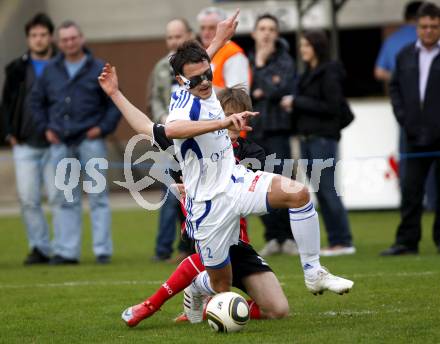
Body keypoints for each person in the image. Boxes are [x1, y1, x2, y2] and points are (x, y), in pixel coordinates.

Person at [99, 9, 353, 325]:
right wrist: (223, 121)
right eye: (198, 78)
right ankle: (196, 286)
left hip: (235, 179)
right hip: (208, 206)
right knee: (219, 286)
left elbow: (201, 62)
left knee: (298, 193)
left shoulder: (195, 76)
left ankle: (314, 272)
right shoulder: (182, 107)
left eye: (209, 73)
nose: (206, 82)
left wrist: (220, 37)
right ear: (181, 81)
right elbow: (165, 130)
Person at [118, 88, 289, 327]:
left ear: (246, 120)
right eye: (228, 115)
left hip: (238, 240)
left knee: (278, 310)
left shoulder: (253, 153)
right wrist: (116, 92)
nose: (233, 122)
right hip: (204, 229)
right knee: (212, 251)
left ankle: (206, 297)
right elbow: (146, 127)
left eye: (239, 117)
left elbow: (257, 196)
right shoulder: (191, 141)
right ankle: (150, 305)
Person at [30, 20, 121, 264]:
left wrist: (102, 128)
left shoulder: (99, 67)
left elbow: (115, 103)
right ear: (58, 43)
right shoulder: (50, 70)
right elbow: (36, 103)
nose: (69, 43)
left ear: (81, 39)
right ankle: (67, 252)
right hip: (60, 142)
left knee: (98, 197)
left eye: (73, 38)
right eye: (64, 39)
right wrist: (45, 129)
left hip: (90, 141)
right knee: (65, 198)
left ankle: (102, 250)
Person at [281, 30, 355, 257]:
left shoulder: (329, 71)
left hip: (322, 139)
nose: (302, 49)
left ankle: (342, 240)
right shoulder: (308, 72)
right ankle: (336, 240)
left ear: (317, 46)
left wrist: (297, 102)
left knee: (328, 189)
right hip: (306, 139)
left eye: (306, 45)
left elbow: (331, 107)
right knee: (321, 191)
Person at [381, 2, 440, 256]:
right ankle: (407, 241)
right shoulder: (405, 54)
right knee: (410, 190)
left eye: (434, 27)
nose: (428, 31)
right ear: (417, 27)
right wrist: (403, 117)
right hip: (412, 134)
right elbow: (394, 89)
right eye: (424, 26)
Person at [1, 13, 58, 265]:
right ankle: (39, 248)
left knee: (59, 198)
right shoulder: (16, 68)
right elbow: (6, 103)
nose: (38, 39)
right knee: (28, 198)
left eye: (43, 34)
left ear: (50, 37)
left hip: (56, 144)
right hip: (24, 144)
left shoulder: (62, 64)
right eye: (34, 35)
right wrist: (8, 133)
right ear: (28, 39)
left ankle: (63, 249)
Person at [248, 14, 297, 257]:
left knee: (283, 186)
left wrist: (260, 71)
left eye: (271, 29)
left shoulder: (286, 61)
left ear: (276, 34)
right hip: (254, 134)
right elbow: (244, 94)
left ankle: (287, 237)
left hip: (278, 132)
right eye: (262, 28)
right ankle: (272, 237)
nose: (266, 33)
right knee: (258, 188)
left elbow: (281, 88)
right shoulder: (245, 60)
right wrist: (261, 81)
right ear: (254, 33)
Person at [150, 18, 194, 262]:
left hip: (195, 139)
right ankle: (163, 249)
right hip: (170, 141)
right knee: (170, 194)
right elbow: (155, 98)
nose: (174, 41)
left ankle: (188, 247)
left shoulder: (198, 64)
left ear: (189, 35)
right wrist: (162, 117)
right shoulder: (160, 67)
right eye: (170, 37)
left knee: (193, 194)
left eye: (178, 36)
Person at [197, 6, 250, 92]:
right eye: (203, 28)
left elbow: (238, 95)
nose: (206, 32)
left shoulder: (233, 53)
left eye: (211, 28)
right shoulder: (201, 52)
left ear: (223, 28)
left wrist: (201, 88)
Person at [374, 1, 424, 82]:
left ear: (405, 16)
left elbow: (379, 72)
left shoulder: (391, 40)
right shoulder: (429, 38)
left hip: (401, 90)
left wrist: (400, 78)